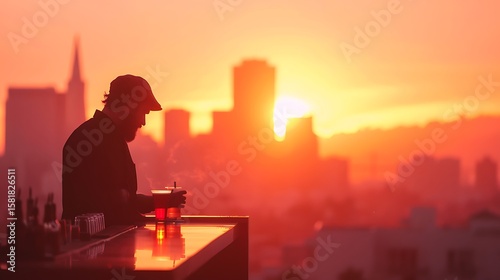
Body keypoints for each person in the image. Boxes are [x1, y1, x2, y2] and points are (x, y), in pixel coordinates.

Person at [61, 74, 186, 226]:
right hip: (93, 246)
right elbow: (93, 206)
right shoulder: (87, 141)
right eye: (144, 113)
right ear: (129, 106)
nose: (143, 122)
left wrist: (157, 201)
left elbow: (124, 200)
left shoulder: (104, 138)